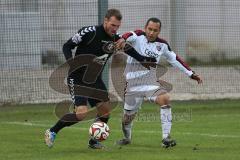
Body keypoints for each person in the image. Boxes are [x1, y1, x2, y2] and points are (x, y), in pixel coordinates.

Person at [44, 9, 156, 149]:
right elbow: (67, 46)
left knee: (105, 111)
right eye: (112, 25)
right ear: (106, 21)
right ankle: (52, 131)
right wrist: (71, 63)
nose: (115, 29)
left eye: (117, 26)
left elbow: (129, 50)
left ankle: (93, 141)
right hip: (78, 78)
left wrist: (144, 61)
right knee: (81, 114)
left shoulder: (116, 39)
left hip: (95, 79)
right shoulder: (89, 32)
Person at [116, 17, 202, 148]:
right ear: (145, 28)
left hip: (149, 82)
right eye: (149, 29)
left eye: (155, 30)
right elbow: (128, 35)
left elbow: (175, 60)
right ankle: (127, 138)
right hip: (132, 84)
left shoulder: (162, 45)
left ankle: (166, 138)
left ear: (159, 31)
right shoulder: (138, 36)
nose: (151, 32)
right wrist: (122, 38)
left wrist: (191, 73)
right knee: (127, 118)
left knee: (165, 99)